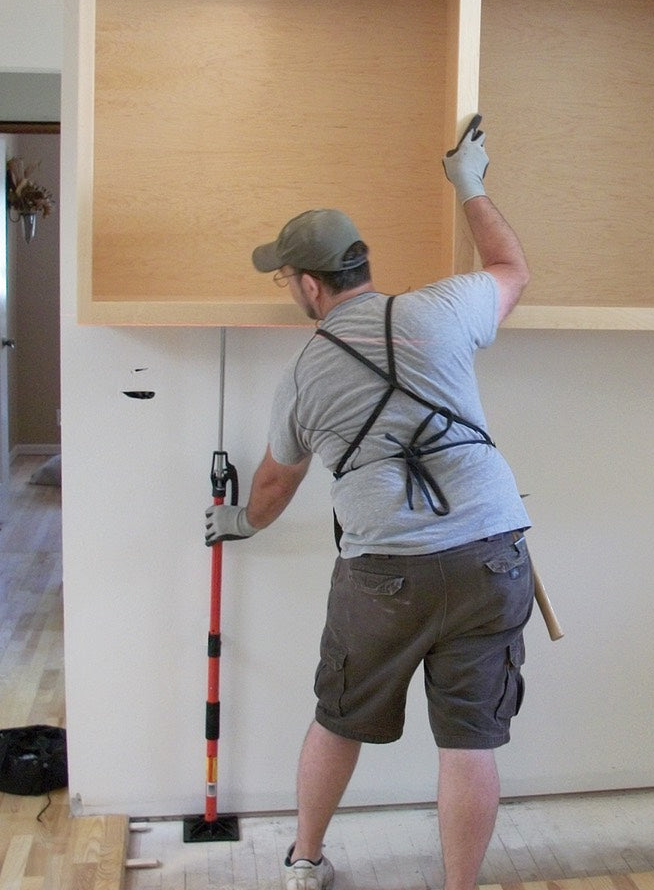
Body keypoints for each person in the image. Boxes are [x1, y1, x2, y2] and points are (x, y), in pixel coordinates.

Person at [204, 116, 534, 890]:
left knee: (340, 717)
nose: (289, 290)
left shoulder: (305, 373)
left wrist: (241, 522)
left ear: (310, 285)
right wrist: (469, 182)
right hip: (493, 553)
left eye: (285, 279)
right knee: (470, 741)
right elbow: (512, 268)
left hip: (386, 573)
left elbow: (274, 485)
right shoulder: (442, 309)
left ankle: (305, 861)